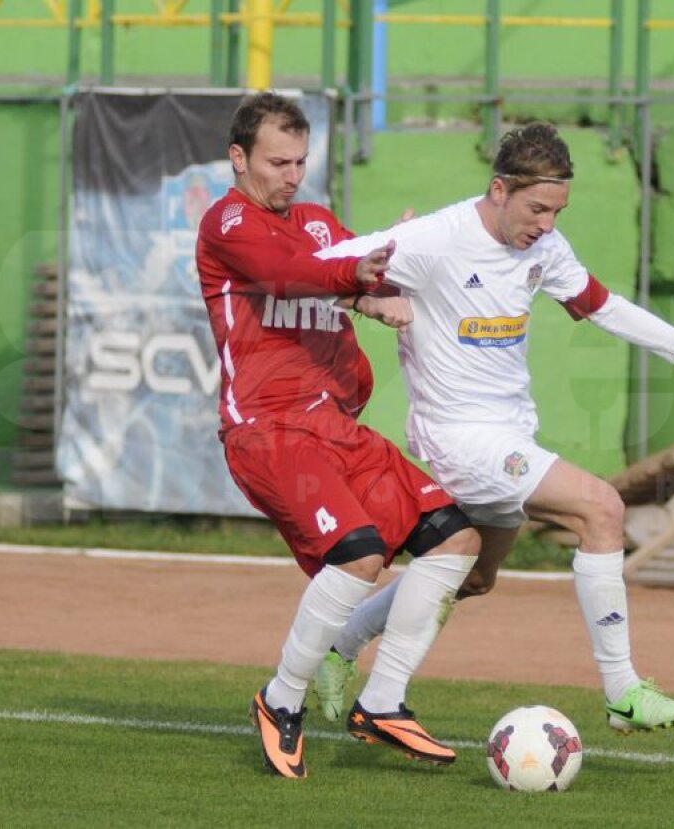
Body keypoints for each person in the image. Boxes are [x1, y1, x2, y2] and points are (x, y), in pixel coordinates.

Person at [313, 122, 674, 733]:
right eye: (537, 208)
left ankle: (340, 645)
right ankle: (622, 690)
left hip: (509, 434)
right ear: (499, 189)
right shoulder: (433, 238)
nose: (547, 224)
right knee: (601, 508)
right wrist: (367, 293)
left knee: (474, 577)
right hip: (459, 436)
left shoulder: (543, 248)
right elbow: (318, 270)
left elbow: (603, 306)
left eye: (557, 210)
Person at [194, 93, 480, 779]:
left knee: (455, 535)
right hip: (269, 429)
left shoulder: (319, 223)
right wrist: (360, 273)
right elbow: (287, 275)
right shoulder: (228, 220)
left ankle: (382, 701)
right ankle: (280, 699)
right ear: (238, 159)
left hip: (333, 425)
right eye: (276, 162)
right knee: (358, 552)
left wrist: (374, 296)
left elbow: (336, 278)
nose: (291, 175)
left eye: (299, 161)